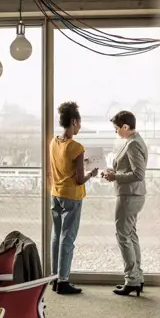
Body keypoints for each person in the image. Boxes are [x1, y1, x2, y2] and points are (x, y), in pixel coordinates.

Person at [49, 102, 98, 295]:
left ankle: (54, 278)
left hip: (56, 193)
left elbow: (63, 164)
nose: (80, 127)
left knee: (56, 236)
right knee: (67, 238)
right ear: (74, 122)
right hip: (72, 196)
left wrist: (80, 164)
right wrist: (91, 174)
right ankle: (63, 281)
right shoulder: (77, 147)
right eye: (79, 123)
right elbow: (79, 179)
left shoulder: (54, 142)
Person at [103, 110, 148, 297]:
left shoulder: (133, 144)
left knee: (122, 235)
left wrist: (115, 176)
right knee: (131, 235)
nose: (116, 132)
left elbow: (139, 174)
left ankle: (132, 279)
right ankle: (137, 277)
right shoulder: (132, 141)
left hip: (129, 195)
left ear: (125, 127)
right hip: (132, 194)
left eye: (117, 129)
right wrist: (113, 171)